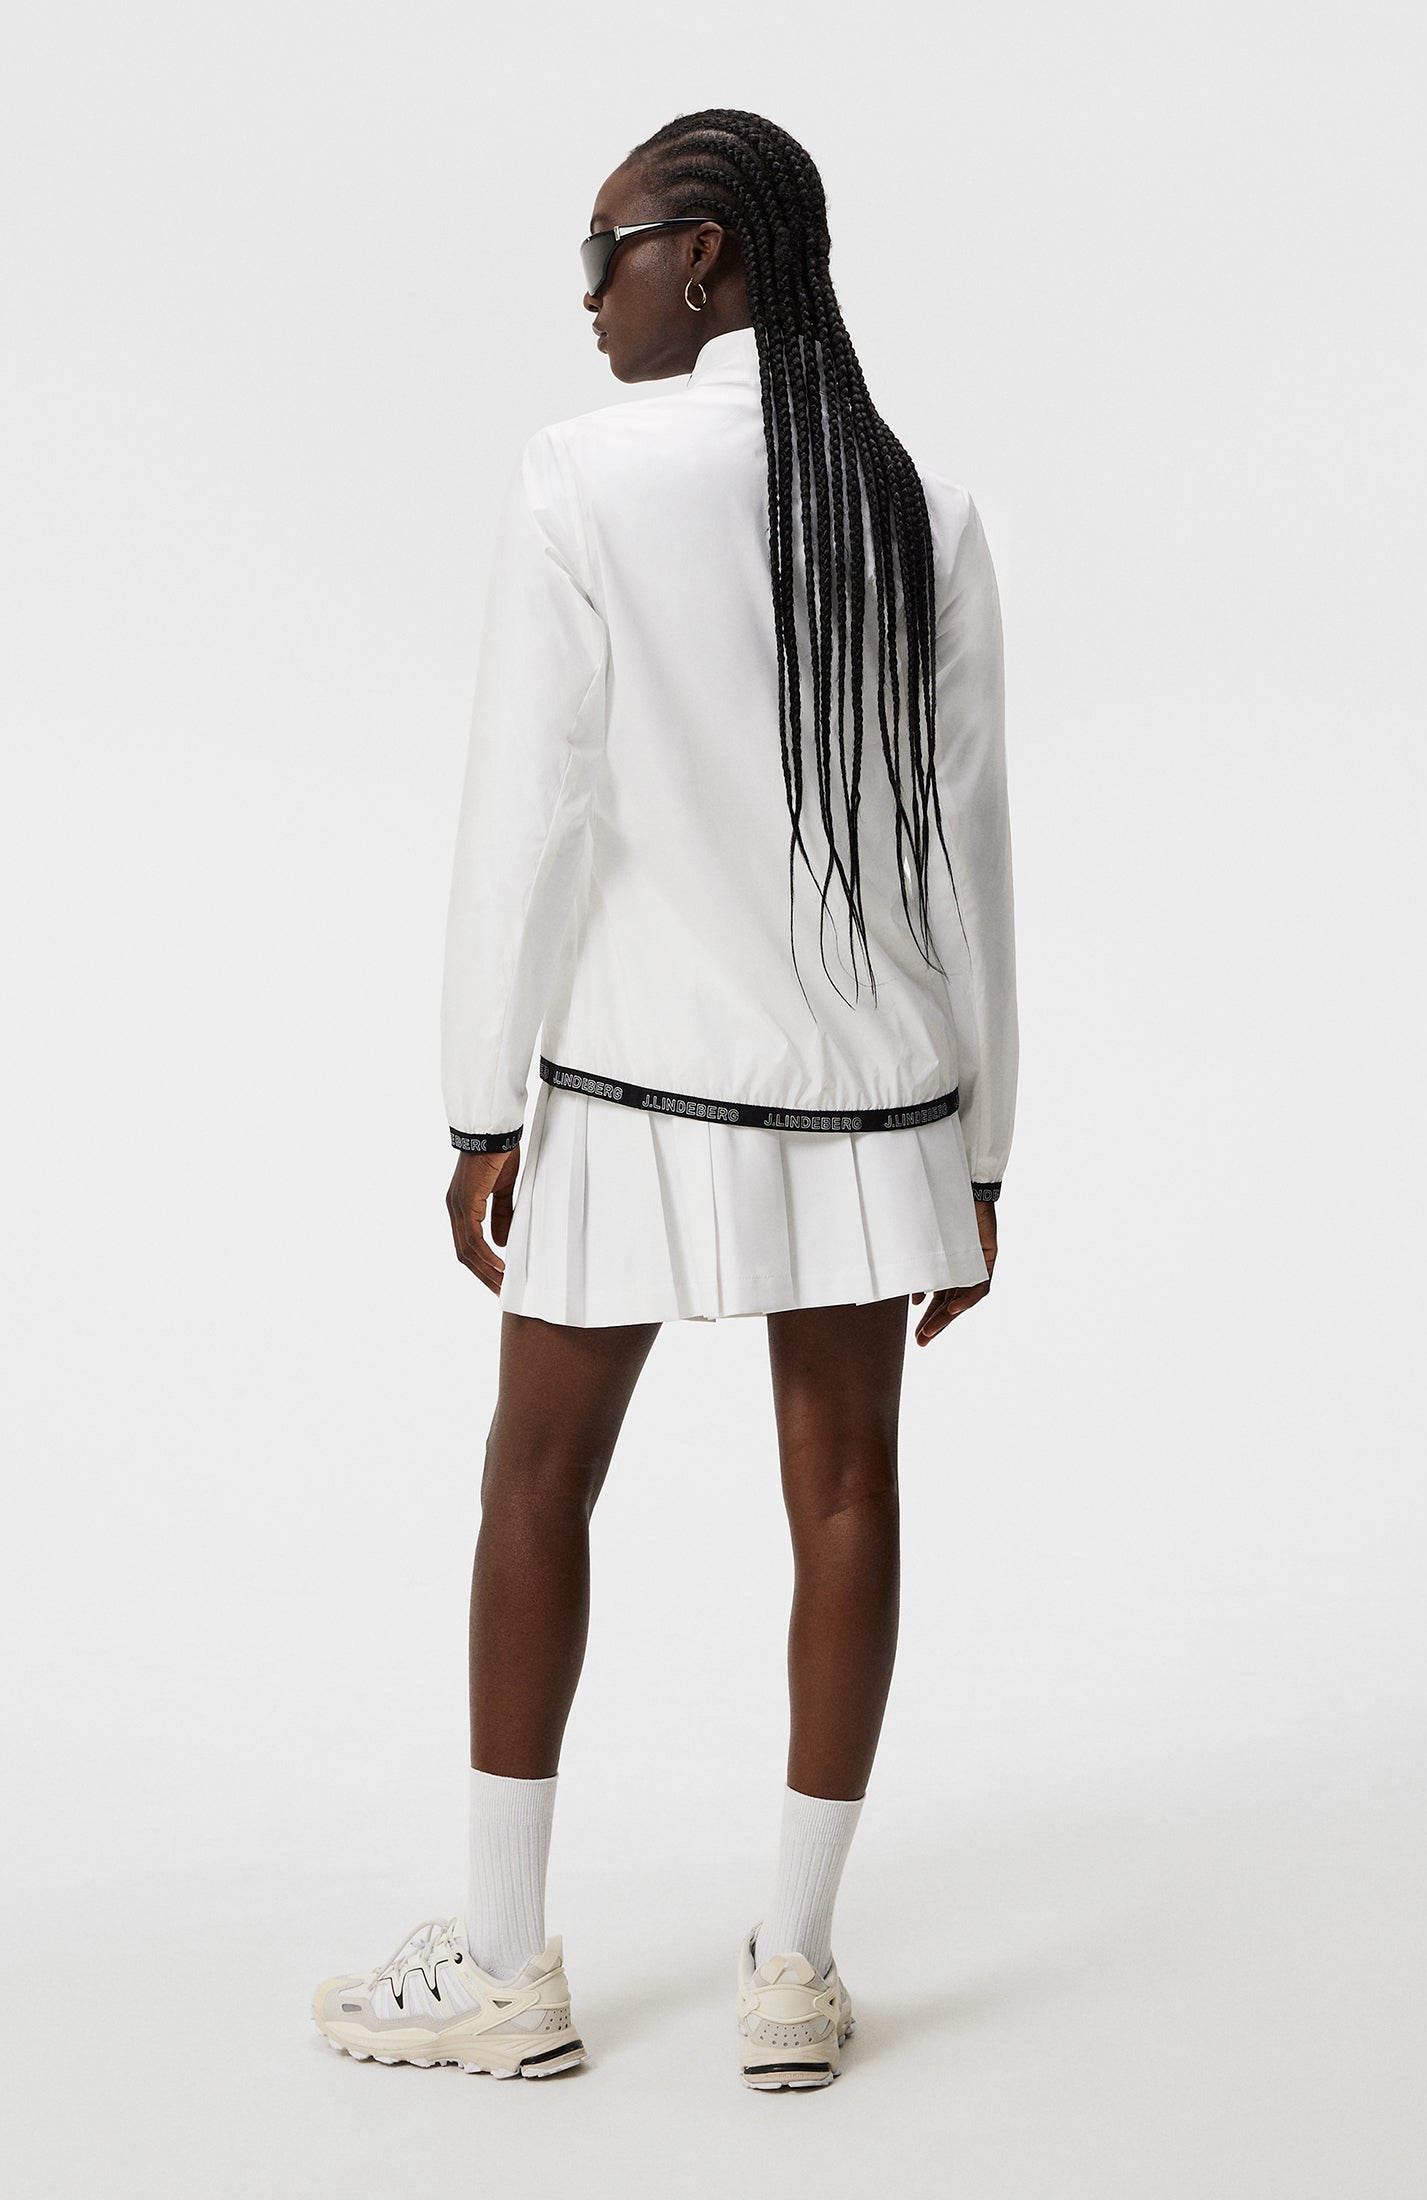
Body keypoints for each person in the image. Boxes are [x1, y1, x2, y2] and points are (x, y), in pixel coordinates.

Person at [311, 106, 1018, 2093]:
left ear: (700, 256)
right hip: (874, 1106)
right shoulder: (921, 499)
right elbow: (970, 852)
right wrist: (982, 1152)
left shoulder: (582, 477)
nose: (589, 295)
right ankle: (795, 1970)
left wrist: (477, 1107)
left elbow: (521, 818)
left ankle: (504, 1967)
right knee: (850, 1492)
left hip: (631, 1093)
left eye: (602, 250)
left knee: (533, 1482)